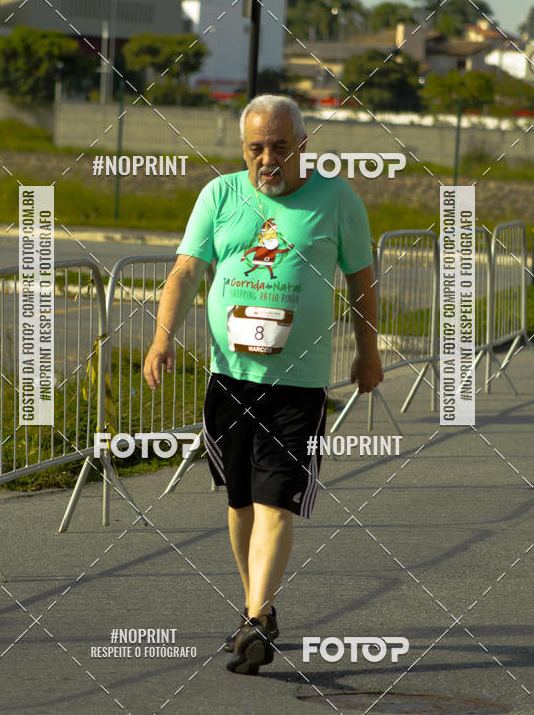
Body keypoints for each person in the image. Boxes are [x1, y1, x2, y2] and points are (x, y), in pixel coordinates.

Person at [143, 94, 383, 675]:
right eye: (257, 148)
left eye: (280, 146)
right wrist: (161, 338)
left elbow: (361, 282)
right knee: (239, 501)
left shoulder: (336, 198)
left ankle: (255, 619)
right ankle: (259, 609)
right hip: (229, 381)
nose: (268, 159)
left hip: (298, 386)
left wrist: (368, 351)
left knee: (275, 501)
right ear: (243, 150)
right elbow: (184, 271)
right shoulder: (220, 195)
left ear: (303, 145)